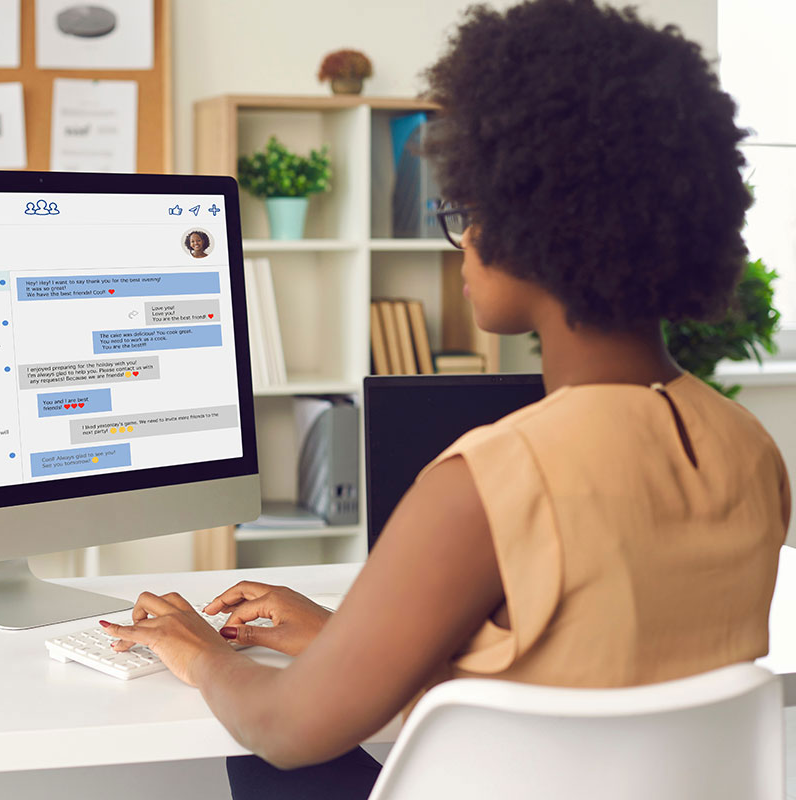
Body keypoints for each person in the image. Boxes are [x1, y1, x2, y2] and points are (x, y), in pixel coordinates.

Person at [99, 2, 791, 797]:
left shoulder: (491, 479)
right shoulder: (746, 445)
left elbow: (288, 729)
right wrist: (338, 637)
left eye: (468, 210)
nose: (462, 241)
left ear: (534, 223)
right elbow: (587, 677)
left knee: (257, 756)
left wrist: (198, 648)